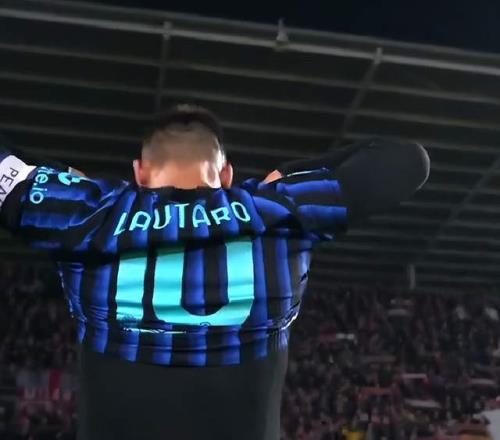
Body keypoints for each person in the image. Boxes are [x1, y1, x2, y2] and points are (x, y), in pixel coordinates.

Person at [0, 104, 430, 440]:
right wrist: (288, 175)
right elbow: (407, 160)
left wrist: (54, 176)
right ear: (226, 175)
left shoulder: (86, 215)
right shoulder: (277, 211)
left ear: (139, 173)